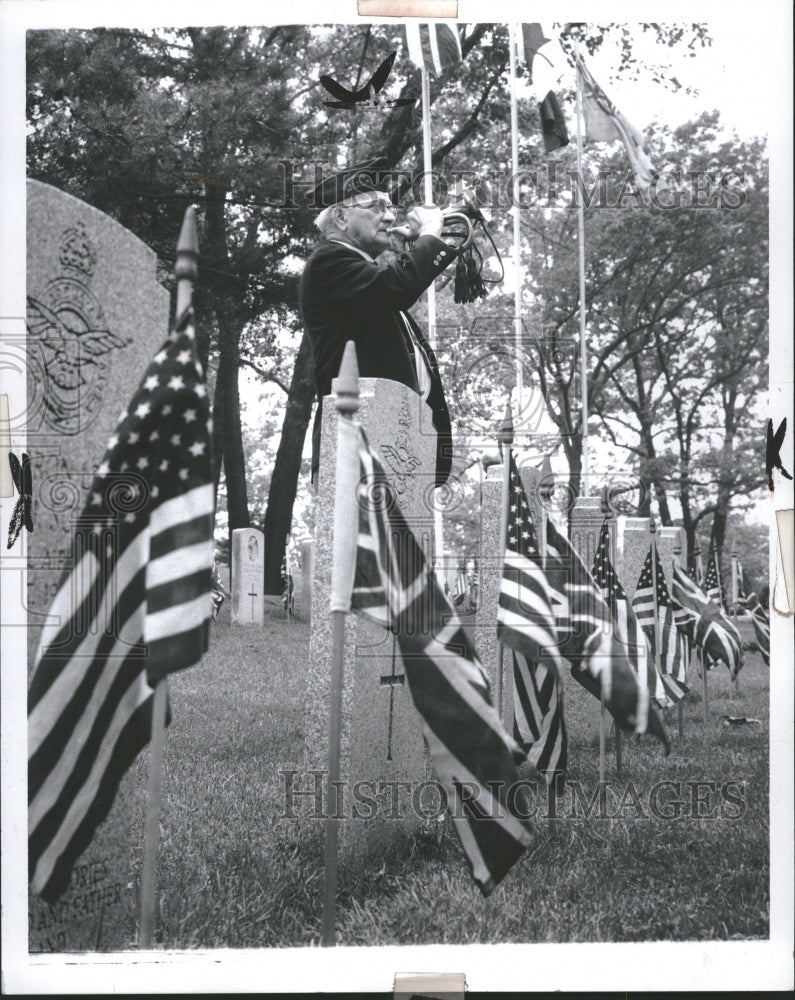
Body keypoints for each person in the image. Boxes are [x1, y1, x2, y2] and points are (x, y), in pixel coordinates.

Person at [299, 159, 457, 488]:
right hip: (362, 441)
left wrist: (417, 248)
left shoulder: (362, 278)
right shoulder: (329, 261)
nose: (389, 216)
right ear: (341, 217)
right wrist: (429, 236)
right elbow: (395, 287)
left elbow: (390, 287)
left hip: (391, 442)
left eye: (390, 206)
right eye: (377, 206)